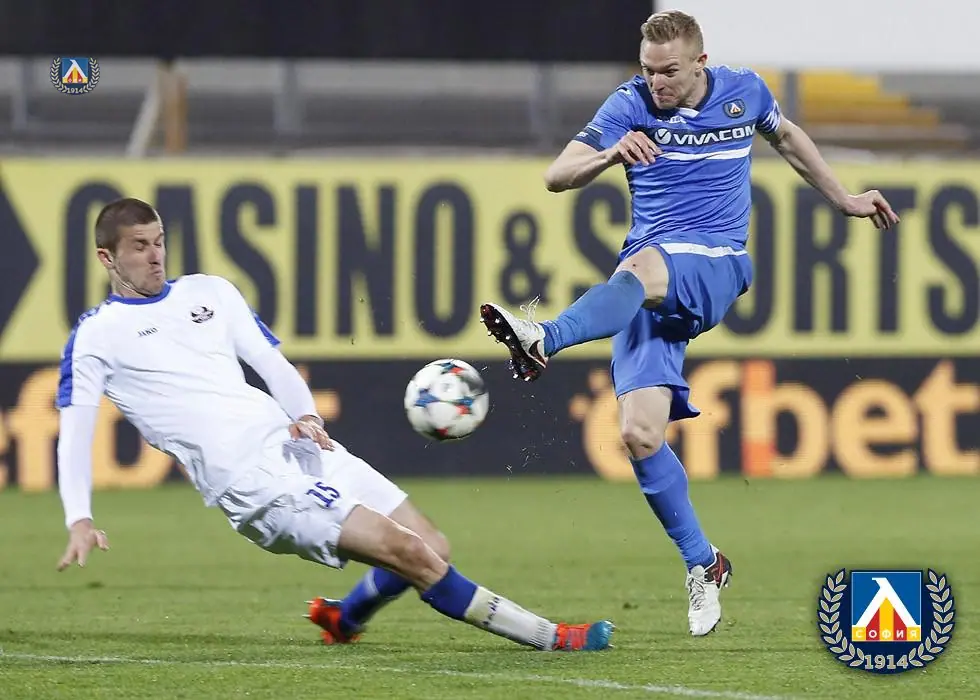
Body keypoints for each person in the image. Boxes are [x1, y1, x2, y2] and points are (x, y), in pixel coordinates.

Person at [480, 10, 900, 637]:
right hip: (644, 290)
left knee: (641, 266)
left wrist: (843, 199)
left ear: (701, 62)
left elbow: (787, 137)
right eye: (648, 71)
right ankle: (705, 562)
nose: (658, 83)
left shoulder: (744, 91)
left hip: (715, 264)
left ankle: (545, 337)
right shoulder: (629, 105)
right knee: (639, 434)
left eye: (669, 71)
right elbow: (555, 175)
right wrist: (609, 154)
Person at [55, 197, 614, 653]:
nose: (155, 256)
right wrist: (79, 517)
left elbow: (271, 364)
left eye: (159, 242)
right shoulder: (98, 336)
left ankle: (343, 619)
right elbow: (76, 429)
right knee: (411, 555)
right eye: (139, 247)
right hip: (252, 482)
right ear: (107, 257)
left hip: (297, 445)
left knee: (432, 544)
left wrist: (305, 414)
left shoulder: (209, 292)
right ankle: (550, 636)